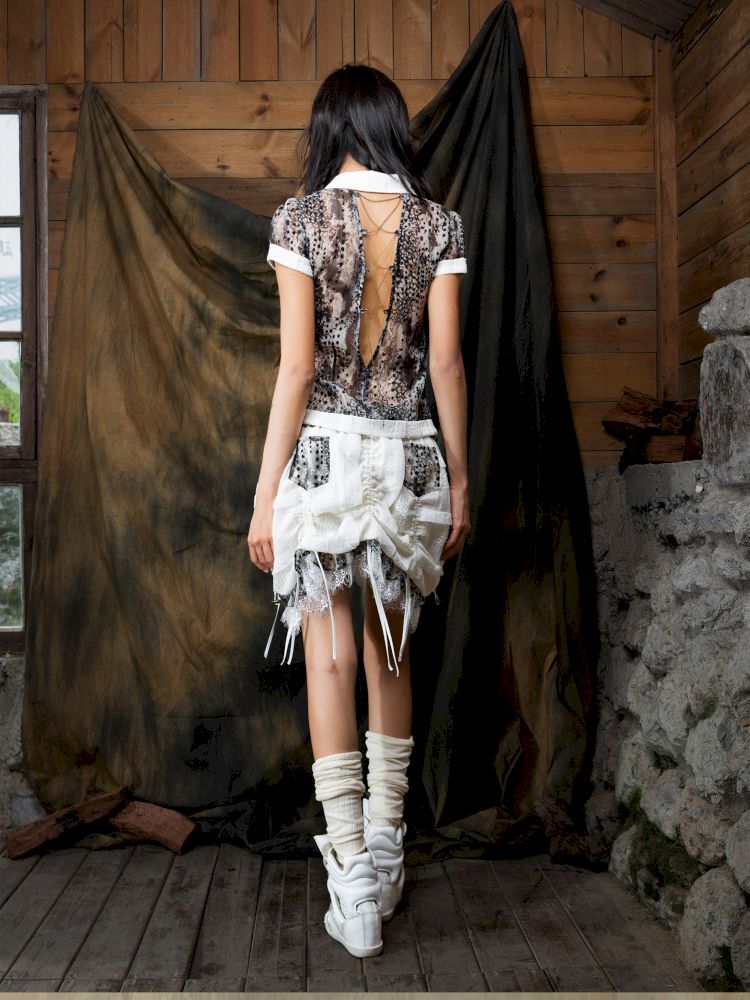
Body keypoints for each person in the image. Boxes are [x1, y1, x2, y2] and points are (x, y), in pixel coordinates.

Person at [247, 63, 470, 957]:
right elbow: (445, 365)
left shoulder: (301, 219)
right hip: (411, 459)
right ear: (390, 127)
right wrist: (462, 481)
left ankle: (354, 882)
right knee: (392, 653)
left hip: (327, 460)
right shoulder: (439, 223)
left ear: (328, 128)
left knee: (331, 658)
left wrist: (265, 495)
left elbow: (297, 368)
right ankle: (387, 848)